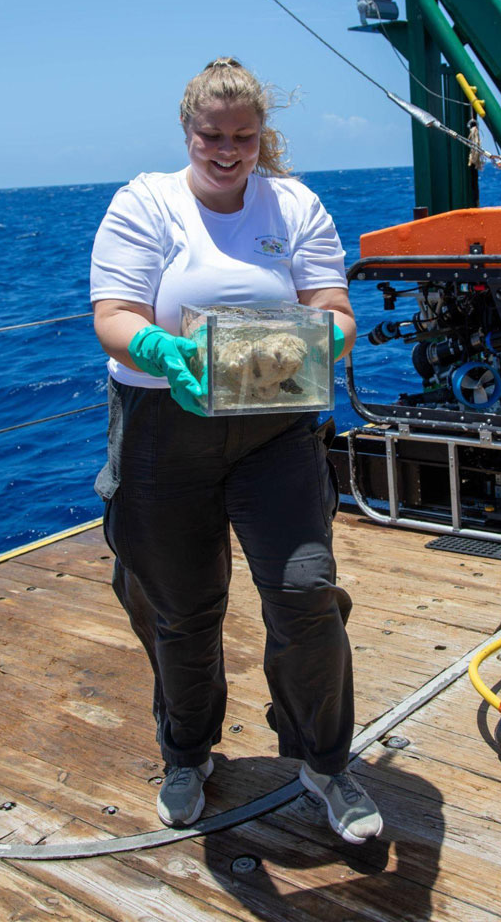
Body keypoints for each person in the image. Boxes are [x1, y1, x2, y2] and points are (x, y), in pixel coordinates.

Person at [90, 57, 382, 844]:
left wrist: (317, 349)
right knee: (182, 610)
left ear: (263, 137)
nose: (227, 150)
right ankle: (186, 753)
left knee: (304, 591)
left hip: (275, 428)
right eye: (211, 135)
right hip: (163, 427)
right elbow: (113, 313)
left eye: (243, 137)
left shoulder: (295, 203)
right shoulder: (142, 202)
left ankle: (324, 761)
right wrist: (161, 349)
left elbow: (333, 306)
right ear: (187, 131)